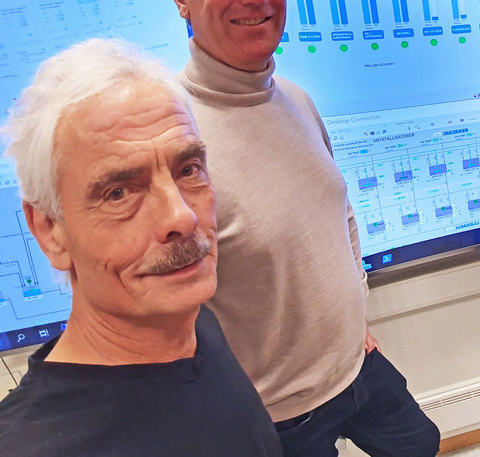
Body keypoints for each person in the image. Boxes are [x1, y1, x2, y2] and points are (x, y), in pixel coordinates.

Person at [168, 0, 439, 455]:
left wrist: (353, 316)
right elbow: (159, 303)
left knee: (420, 444)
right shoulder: (169, 135)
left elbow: (337, 213)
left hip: (355, 364)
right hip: (274, 413)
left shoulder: (294, 98)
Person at [0, 39, 281, 456]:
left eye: (188, 170)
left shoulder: (197, 326)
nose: (181, 217)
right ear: (49, 231)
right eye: (118, 193)